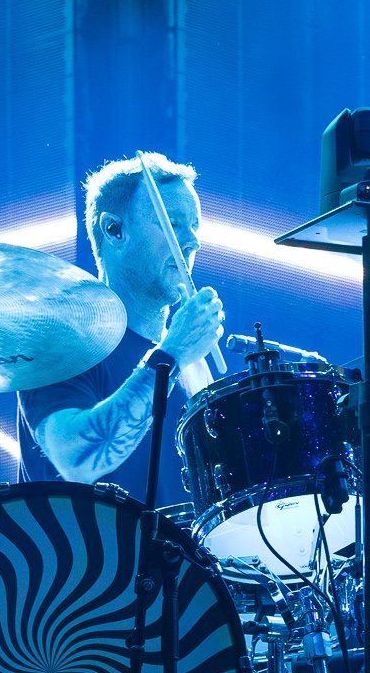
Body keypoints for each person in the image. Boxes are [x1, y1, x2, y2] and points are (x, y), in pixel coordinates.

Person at [16, 153, 225, 507]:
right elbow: (77, 459)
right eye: (173, 223)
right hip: (83, 545)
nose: (192, 241)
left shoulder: (193, 363)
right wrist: (170, 356)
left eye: (194, 225)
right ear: (115, 230)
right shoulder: (61, 338)